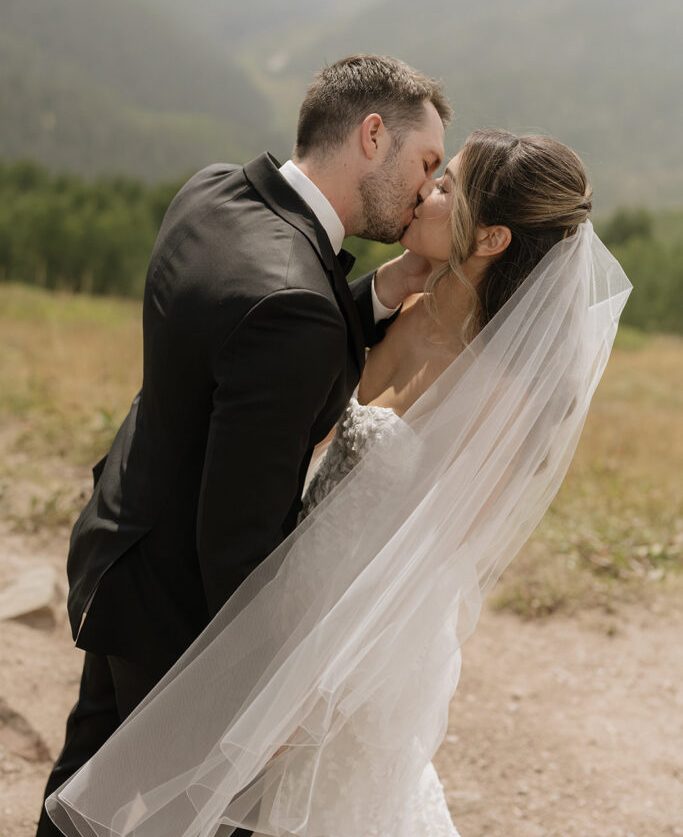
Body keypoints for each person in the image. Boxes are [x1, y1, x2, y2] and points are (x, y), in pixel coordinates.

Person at [45, 127, 631, 837]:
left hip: (355, 639)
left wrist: (310, 682)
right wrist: (385, 288)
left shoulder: (501, 395)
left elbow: (433, 564)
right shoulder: (407, 309)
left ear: (490, 241)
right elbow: (303, 358)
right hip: (279, 587)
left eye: (446, 186)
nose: (425, 191)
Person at [36, 54, 452, 837]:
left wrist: (385, 289)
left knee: (81, 791)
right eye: (426, 164)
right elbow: (237, 538)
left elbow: (249, 345)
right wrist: (268, 689)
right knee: (195, 816)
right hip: (177, 611)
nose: (428, 191)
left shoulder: (214, 192)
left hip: (120, 543)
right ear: (372, 136)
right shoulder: (293, 309)